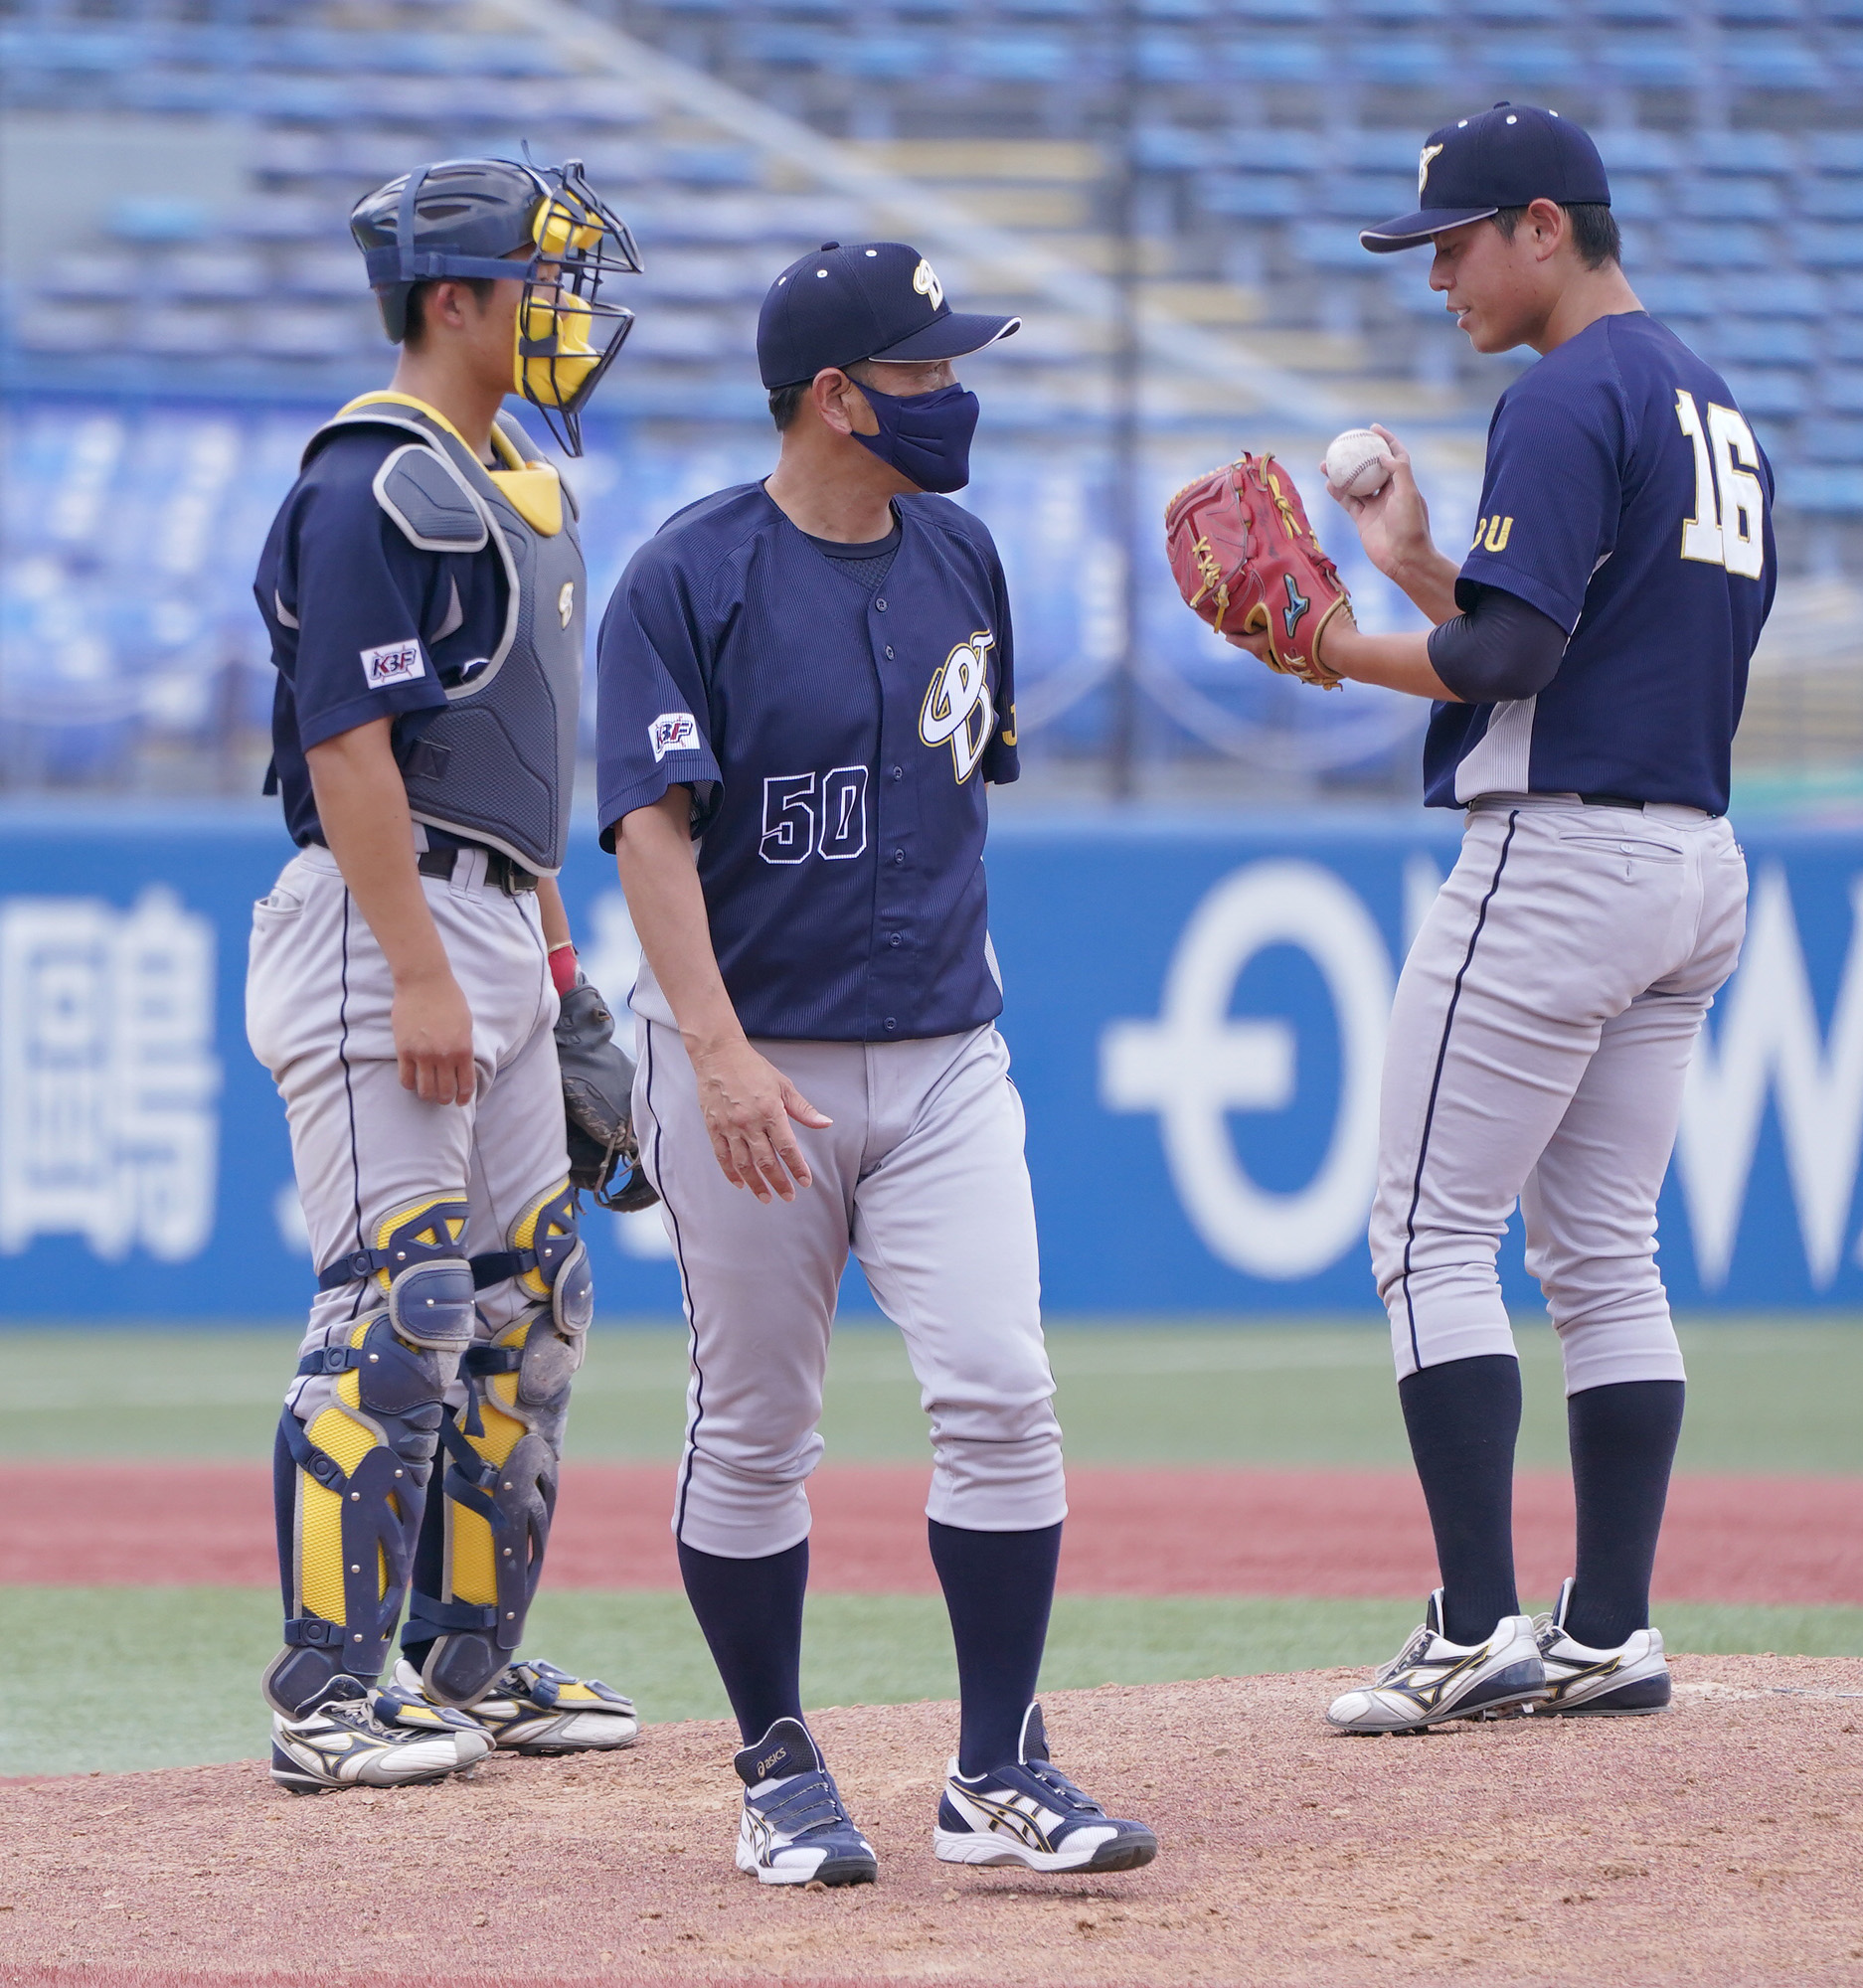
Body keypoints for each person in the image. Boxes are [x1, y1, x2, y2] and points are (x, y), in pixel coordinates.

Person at [594, 241, 1158, 1884]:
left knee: (1001, 1391)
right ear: (833, 398)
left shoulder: (961, 558)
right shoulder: (685, 576)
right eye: (920, 373)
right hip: (749, 1064)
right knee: (757, 1430)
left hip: (940, 1057)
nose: (951, 394)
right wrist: (709, 1057)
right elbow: (647, 830)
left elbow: (959, 786)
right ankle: (773, 1759)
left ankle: (994, 1767)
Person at [1235, 104, 1773, 1732]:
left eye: (1454, 246)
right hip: (1689, 860)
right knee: (1606, 1258)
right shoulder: (1709, 400)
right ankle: (1607, 1627)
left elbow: (1507, 671)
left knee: (1418, 1233)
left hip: (1557, 863)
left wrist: (1325, 635)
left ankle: (1474, 1626)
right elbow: (1566, 642)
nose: (1438, 280)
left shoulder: (1557, 394)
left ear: (1546, 226)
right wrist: (1407, 566)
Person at [248, 156, 645, 1791]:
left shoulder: (510, 490)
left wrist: (563, 995)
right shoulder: (373, 479)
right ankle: (325, 1694)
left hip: (490, 912)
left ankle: (466, 1665)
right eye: (538, 279)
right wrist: (418, 971)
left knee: (523, 1305)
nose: (567, 311)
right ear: (452, 299)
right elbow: (349, 749)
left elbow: (518, 784)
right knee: (395, 1305)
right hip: (375, 913)